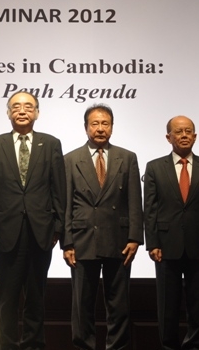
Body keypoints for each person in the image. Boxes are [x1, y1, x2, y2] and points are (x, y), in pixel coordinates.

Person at [0, 91, 65, 350]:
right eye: (16, 107)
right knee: (7, 298)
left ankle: (34, 345)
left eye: (28, 107)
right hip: (5, 232)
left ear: (37, 113)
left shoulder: (50, 144)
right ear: (8, 113)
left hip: (41, 232)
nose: (22, 111)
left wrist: (59, 227)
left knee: (36, 298)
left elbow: (58, 189)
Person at [62, 104, 142, 350]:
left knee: (118, 304)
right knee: (82, 305)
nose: (100, 128)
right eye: (94, 124)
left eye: (105, 123)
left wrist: (134, 238)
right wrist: (67, 242)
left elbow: (134, 200)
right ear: (86, 127)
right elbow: (65, 203)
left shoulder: (127, 157)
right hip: (82, 239)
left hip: (118, 239)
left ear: (112, 127)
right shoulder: (70, 159)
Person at [143, 116, 199, 350]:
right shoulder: (154, 167)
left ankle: (196, 345)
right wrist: (152, 243)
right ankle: (168, 345)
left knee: (198, 302)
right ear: (168, 137)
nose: (184, 135)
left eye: (189, 131)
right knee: (167, 304)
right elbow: (150, 209)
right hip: (165, 245)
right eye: (178, 132)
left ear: (195, 137)